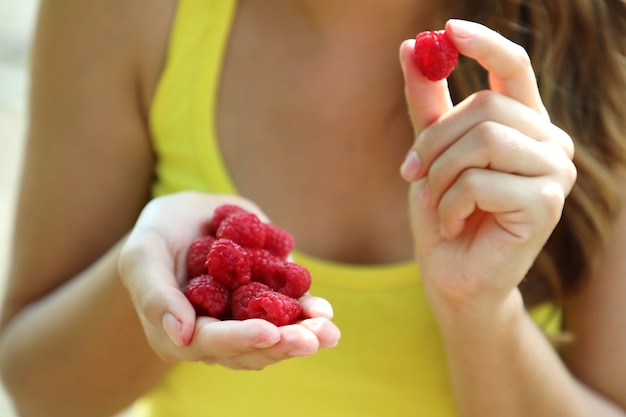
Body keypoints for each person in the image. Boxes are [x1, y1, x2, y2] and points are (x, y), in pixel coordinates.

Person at [0, 0, 625, 416]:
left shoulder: (608, 38)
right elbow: (40, 391)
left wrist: (479, 312)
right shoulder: (122, 14)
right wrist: (165, 288)